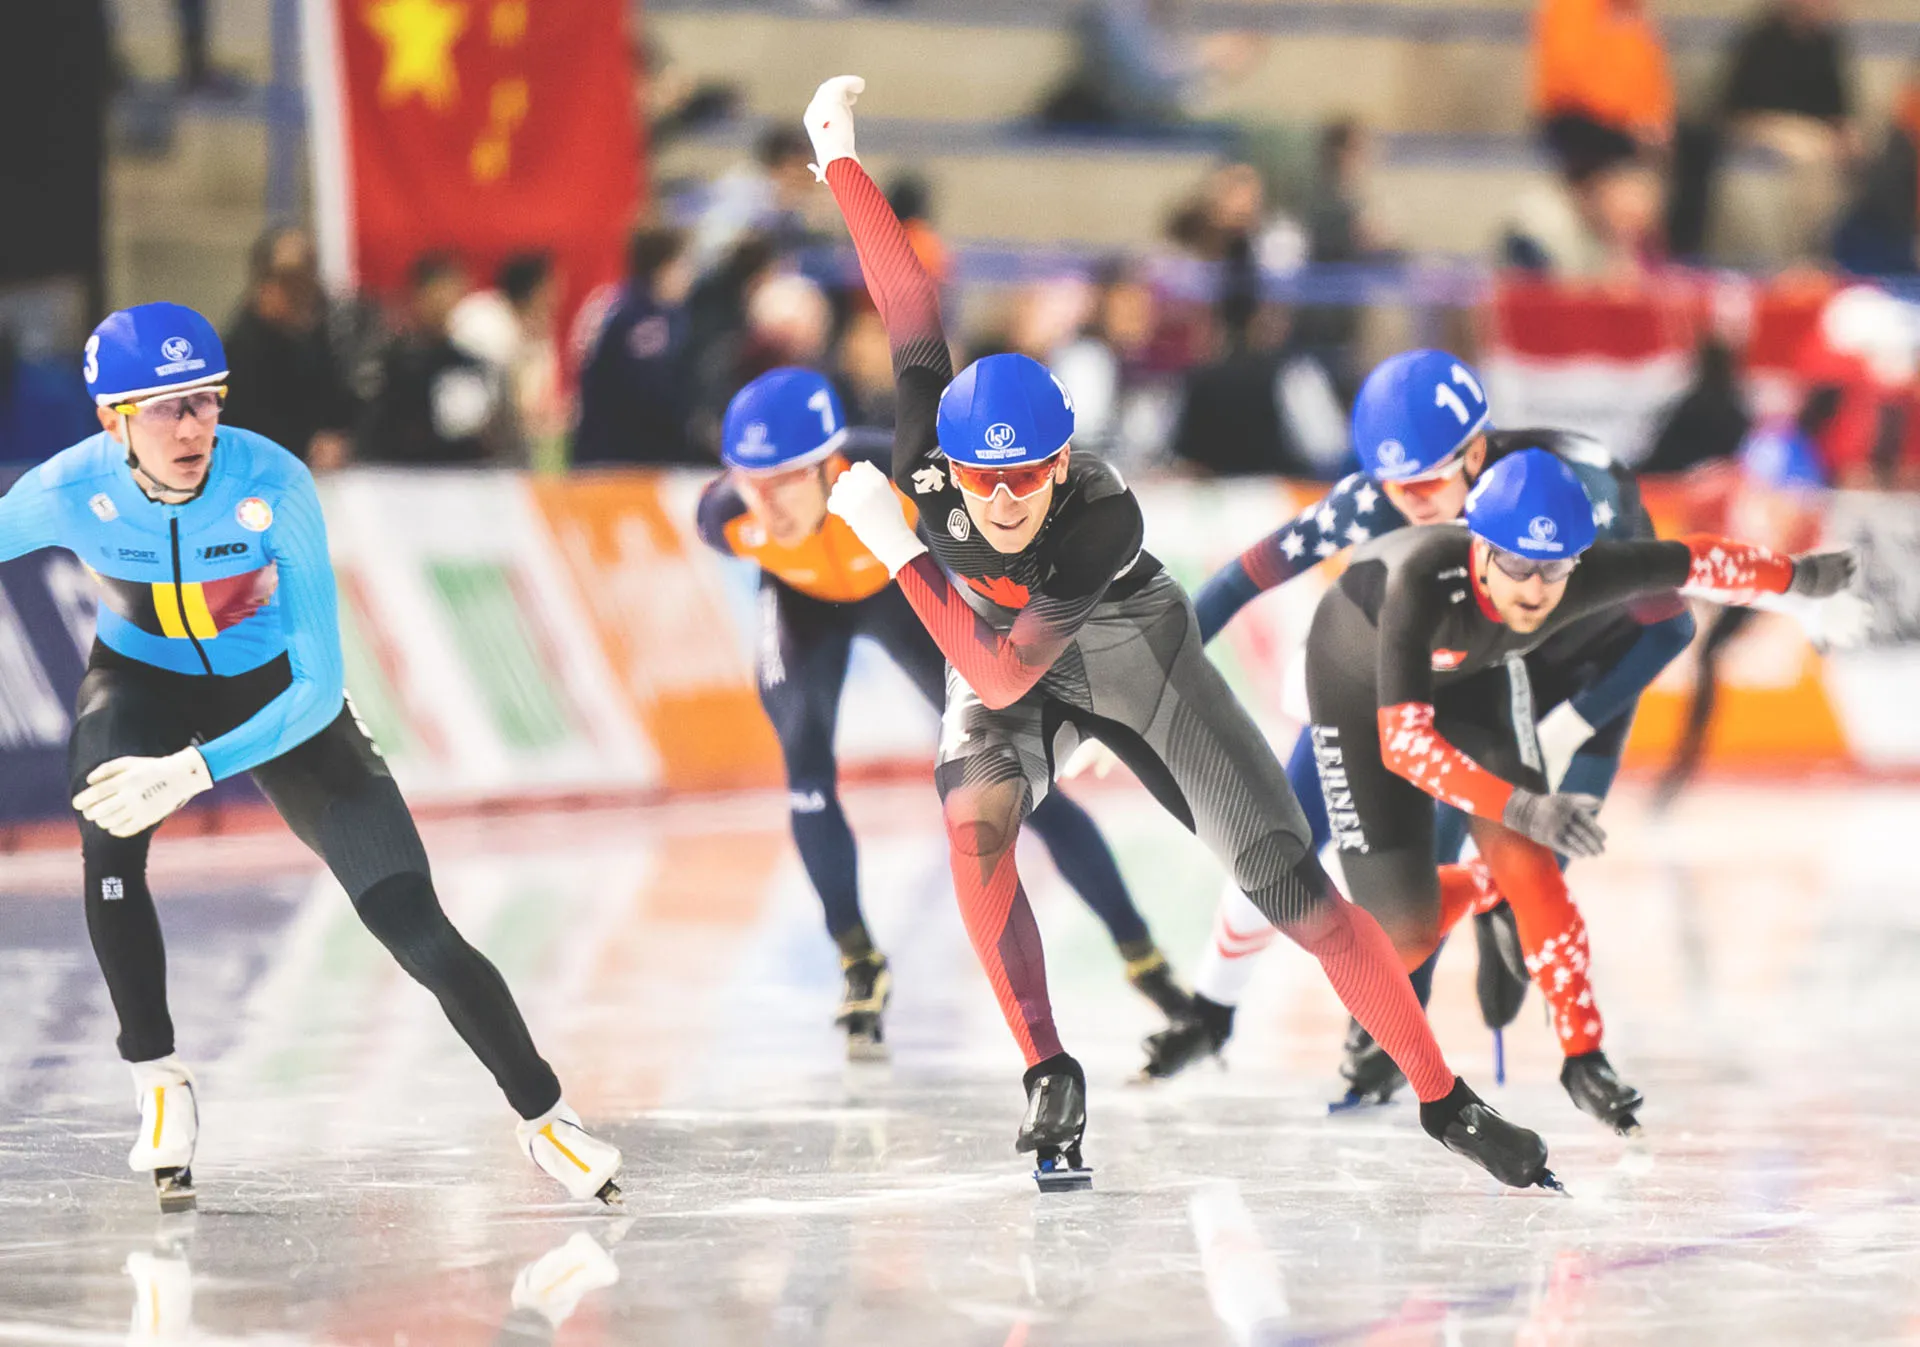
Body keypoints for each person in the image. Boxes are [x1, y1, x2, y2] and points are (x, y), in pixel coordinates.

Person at [805, 75, 1555, 1193]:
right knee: (973, 824)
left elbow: (1000, 670)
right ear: (949, 466)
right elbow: (908, 305)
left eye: (1029, 476)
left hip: (1125, 653)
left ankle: (1447, 1102)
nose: (1006, 498)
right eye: (984, 479)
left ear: (1064, 464)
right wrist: (842, 162)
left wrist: (902, 552)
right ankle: (1049, 1068)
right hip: (1007, 653)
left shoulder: (1102, 515)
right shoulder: (923, 456)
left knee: (1295, 894)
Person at [0, 303, 619, 1210]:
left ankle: (546, 1117)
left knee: (416, 924)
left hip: (281, 701)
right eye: (166, 408)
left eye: (205, 402)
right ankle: (158, 1076)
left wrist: (196, 770)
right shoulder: (64, 488)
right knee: (108, 835)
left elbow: (319, 687)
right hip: (139, 683)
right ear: (113, 419)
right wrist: (165, 760)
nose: (193, 427)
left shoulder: (272, 482)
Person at [1138, 351, 1697, 1127]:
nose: (1415, 504)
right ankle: (1215, 1011)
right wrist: (1143, 690)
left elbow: (1669, 630)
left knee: (1514, 879)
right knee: (1276, 848)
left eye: (1432, 482)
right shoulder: (1374, 501)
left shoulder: (1573, 496)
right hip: (1416, 681)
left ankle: (1409, 1015)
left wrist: (1570, 723)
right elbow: (1241, 578)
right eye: (1398, 487)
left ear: (1477, 453)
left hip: (1567, 683)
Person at [1272, 444, 1852, 1135]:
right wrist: (1524, 803)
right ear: (1479, 546)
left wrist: (1800, 577)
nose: (1536, 589)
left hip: (1478, 676)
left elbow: (1696, 561)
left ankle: (1585, 1057)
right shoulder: (1419, 583)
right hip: (1359, 690)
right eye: (1517, 563)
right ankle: (1464, 909)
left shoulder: (1580, 575)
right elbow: (1403, 746)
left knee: (1531, 861)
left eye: (1556, 568)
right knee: (1403, 937)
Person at [695, 367, 1193, 1057]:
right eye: (751, 482)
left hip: (899, 590)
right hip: (801, 608)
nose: (767, 505)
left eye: (784, 482)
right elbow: (743, 518)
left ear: (831, 465)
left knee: (1019, 768)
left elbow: (1009, 546)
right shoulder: (725, 519)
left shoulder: (899, 473)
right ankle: (859, 961)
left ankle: (1142, 954)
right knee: (805, 766)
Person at [220, 227, 356, 470]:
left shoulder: (323, 339)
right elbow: (243, 430)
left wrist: (338, 440)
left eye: (306, 279)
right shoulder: (239, 350)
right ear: (263, 284)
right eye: (288, 281)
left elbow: (342, 411)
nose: (299, 294)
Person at [572, 225, 700, 467]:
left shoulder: (616, 303)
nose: (689, 275)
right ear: (664, 267)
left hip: (610, 452)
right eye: (684, 264)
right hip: (623, 459)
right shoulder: (639, 320)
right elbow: (651, 397)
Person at [358, 253, 503, 466]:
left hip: (460, 479)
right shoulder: (391, 363)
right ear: (417, 295)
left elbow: (481, 437)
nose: (444, 302)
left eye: (452, 292)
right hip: (398, 477)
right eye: (437, 292)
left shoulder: (468, 365)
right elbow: (375, 432)